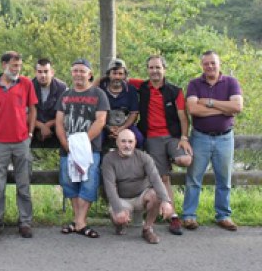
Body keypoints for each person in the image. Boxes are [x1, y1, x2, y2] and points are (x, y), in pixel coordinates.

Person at [182, 51, 243, 231]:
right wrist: (224, 109)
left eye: (213, 63)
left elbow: (237, 107)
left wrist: (208, 102)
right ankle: (189, 215)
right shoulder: (194, 84)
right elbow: (193, 109)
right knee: (194, 178)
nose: (210, 66)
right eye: (206, 63)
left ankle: (223, 215)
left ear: (219, 64)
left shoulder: (231, 82)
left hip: (225, 137)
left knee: (224, 179)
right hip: (200, 137)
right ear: (202, 65)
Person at [131, 55, 192, 236]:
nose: (154, 71)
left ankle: (171, 158)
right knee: (163, 178)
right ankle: (173, 216)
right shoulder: (141, 87)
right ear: (147, 70)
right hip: (152, 138)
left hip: (173, 137)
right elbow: (117, 77)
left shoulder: (175, 91)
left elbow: (183, 117)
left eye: (158, 67)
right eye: (151, 67)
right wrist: (96, 82)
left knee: (185, 159)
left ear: (164, 69)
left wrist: (184, 137)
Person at [0, 51, 37, 239]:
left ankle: (25, 221)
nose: (17, 69)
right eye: (14, 66)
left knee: (24, 184)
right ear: (4, 65)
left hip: (21, 141)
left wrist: (29, 133)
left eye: (19, 66)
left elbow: (33, 109)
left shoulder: (26, 83)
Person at [55, 59, 109, 239]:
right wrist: (66, 144)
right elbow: (59, 122)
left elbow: (100, 120)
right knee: (69, 183)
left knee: (88, 183)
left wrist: (82, 144)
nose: (78, 74)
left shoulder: (98, 94)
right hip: (67, 149)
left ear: (90, 74)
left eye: (82, 71)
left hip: (89, 148)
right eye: (75, 70)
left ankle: (79, 222)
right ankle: (80, 222)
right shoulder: (65, 95)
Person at [102, 129, 174, 244]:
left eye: (130, 142)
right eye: (123, 141)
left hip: (141, 196)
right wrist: (118, 209)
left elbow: (156, 179)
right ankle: (121, 224)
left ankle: (147, 229)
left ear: (135, 143)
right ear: (117, 142)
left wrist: (166, 201)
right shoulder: (109, 159)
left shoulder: (144, 157)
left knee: (156, 195)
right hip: (122, 199)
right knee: (117, 218)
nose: (127, 145)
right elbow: (110, 186)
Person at [99, 59, 143, 148]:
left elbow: (134, 113)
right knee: (96, 140)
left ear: (124, 75)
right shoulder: (100, 90)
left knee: (139, 138)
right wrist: (108, 128)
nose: (117, 77)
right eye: (114, 73)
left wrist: (122, 128)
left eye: (120, 74)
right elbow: (96, 112)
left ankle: (135, 160)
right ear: (109, 74)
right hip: (104, 125)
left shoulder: (130, 90)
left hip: (125, 124)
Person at [31, 58, 67, 148]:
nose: (43, 75)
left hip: (55, 127)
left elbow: (67, 114)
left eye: (46, 71)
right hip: (33, 127)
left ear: (52, 72)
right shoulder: (28, 87)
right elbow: (22, 114)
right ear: (35, 73)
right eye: (40, 72)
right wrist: (41, 126)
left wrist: (48, 124)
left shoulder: (62, 88)